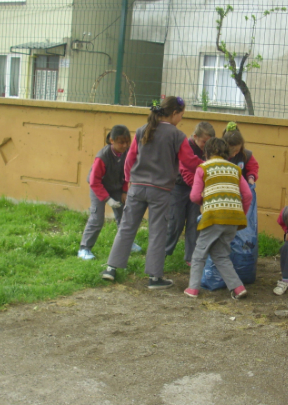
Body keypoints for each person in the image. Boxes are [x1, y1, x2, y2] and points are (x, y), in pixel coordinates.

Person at [101, 96, 203, 289]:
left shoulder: (142, 130)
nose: (182, 118)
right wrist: (206, 165)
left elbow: (130, 159)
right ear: (174, 113)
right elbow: (189, 161)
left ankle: (110, 269)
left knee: (126, 227)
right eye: (182, 114)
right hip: (161, 191)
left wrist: (129, 181)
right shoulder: (177, 135)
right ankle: (155, 278)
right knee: (157, 232)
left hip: (137, 187)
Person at [184, 137, 253, 300]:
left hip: (214, 217)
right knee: (220, 254)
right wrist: (240, 213)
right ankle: (238, 287)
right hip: (233, 219)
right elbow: (248, 194)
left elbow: (194, 196)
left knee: (199, 252)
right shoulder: (235, 169)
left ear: (206, 153)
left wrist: (205, 200)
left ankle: (193, 288)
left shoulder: (203, 168)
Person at [78, 125, 141, 260]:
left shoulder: (127, 153)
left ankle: (126, 244)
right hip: (99, 188)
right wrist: (107, 199)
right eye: (121, 142)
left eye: (127, 142)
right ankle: (84, 249)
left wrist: (124, 191)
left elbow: (127, 173)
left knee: (124, 216)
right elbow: (95, 182)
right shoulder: (102, 157)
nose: (124, 145)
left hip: (117, 188)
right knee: (97, 219)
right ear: (112, 141)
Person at [165, 121, 216, 266]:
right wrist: (199, 187)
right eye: (204, 142)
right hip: (179, 188)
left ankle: (191, 257)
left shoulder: (207, 150)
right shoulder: (186, 146)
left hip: (197, 189)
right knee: (176, 221)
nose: (206, 146)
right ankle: (164, 251)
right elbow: (185, 171)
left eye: (209, 143)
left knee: (195, 222)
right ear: (195, 136)